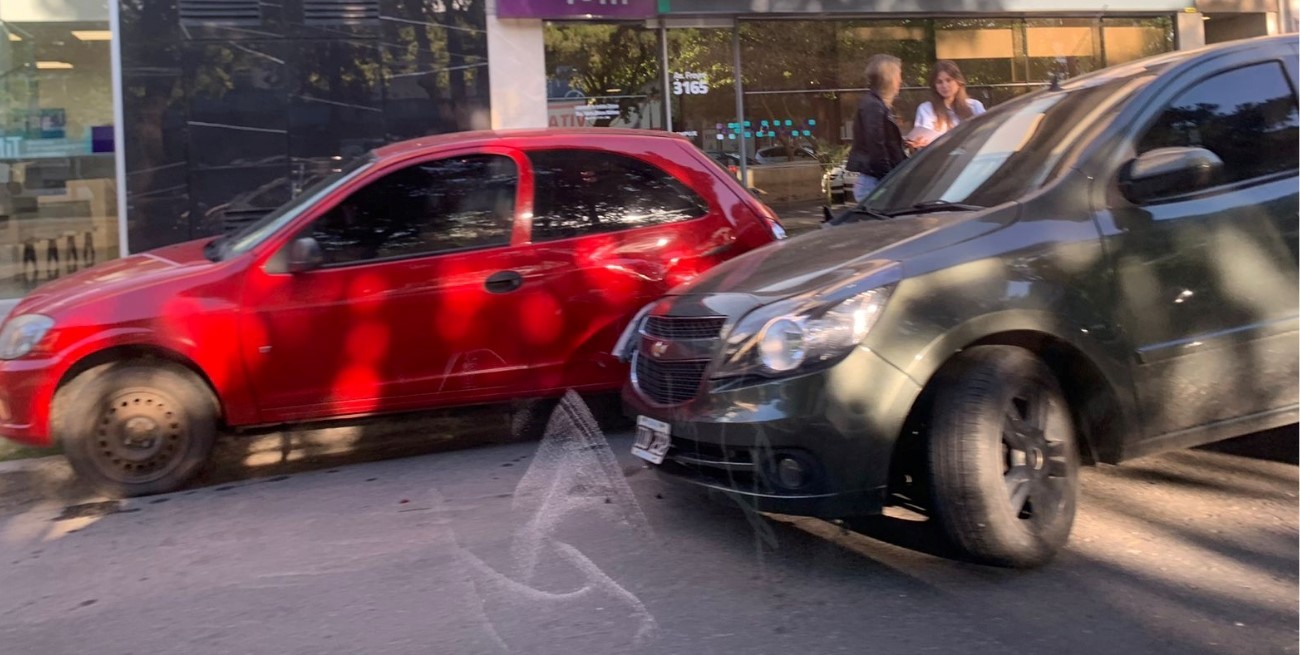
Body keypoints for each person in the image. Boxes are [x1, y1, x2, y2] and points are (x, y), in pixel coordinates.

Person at [847, 54, 907, 204]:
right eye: (899, 75)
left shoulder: (875, 105)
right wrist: (888, 180)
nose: (900, 80)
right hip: (875, 182)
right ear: (890, 78)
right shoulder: (874, 106)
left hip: (875, 180)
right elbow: (876, 147)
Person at [907, 60, 986, 148]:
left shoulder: (975, 106)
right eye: (939, 82)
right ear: (934, 86)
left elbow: (985, 134)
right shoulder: (926, 109)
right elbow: (922, 137)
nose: (944, 86)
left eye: (949, 80)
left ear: (958, 82)